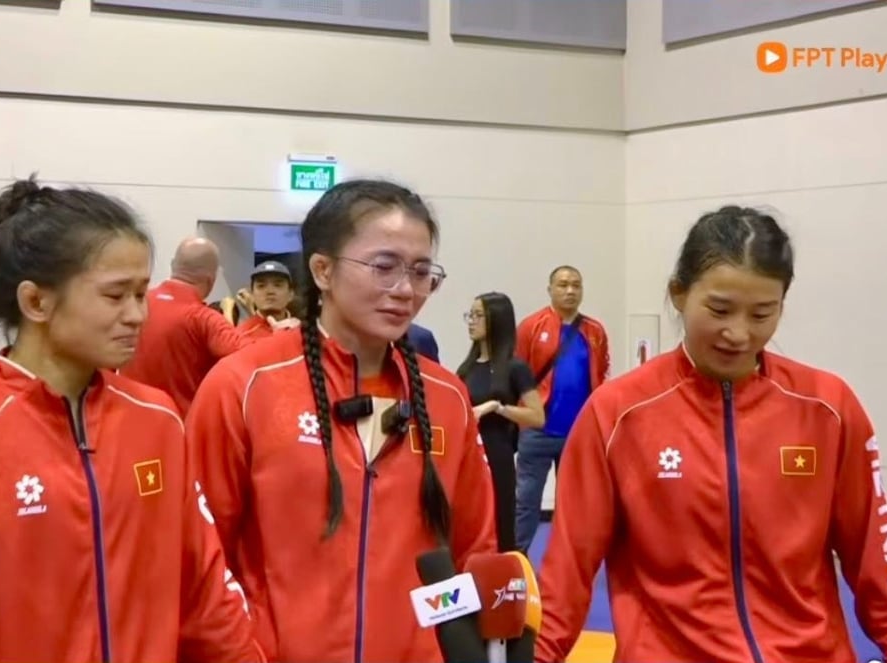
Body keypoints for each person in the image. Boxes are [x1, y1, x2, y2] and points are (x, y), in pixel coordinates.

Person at [0, 177, 262, 663]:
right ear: (36, 302)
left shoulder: (158, 420)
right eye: (116, 295)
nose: (138, 315)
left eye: (141, 293)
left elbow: (206, 594)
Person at [535, 206, 887, 663]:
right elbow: (567, 571)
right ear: (679, 293)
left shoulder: (828, 408)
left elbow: (878, 560)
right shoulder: (618, 414)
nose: (738, 333)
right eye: (719, 309)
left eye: (762, 314)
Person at [185, 179, 497, 662]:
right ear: (323, 270)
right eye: (384, 267)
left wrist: (431, 639)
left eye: (420, 272)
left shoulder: (446, 399)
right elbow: (201, 558)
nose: (405, 290)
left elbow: (472, 552)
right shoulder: (243, 386)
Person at [514, 265, 609, 552]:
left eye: (576, 285)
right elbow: (518, 372)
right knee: (526, 500)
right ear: (550, 289)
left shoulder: (594, 331)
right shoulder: (533, 326)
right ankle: (517, 559)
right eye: (563, 284)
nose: (570, 291)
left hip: (578, 433)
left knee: (575, 504)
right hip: (537, 431)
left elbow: (602, 372)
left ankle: (569, 561)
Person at [119, 237, 252, 414]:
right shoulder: (204, 319)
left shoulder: (132, 305)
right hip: (177, 428)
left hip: (125, 418)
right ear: (210, 279)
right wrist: (250, 311)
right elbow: (252, 359)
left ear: (173, 265)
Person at [456, 292, 544, 552]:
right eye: (470, 315)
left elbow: (537, 416)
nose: (472, 321)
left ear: (496, 320)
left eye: (478, 315)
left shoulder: (515, 368)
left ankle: (506, 580)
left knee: (501, 519)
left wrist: (498, 408)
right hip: (470, 452)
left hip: (498, 453)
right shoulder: (467, 368)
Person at [236, 260, 299, 339]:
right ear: (252, 294)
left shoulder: (304, 333)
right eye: (261, 286)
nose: (270, 291)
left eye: (277, 285)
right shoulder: (240, 336)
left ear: (290, 294)